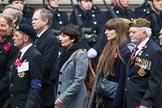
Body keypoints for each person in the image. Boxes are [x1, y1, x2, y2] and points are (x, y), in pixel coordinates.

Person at [124, 18, 162, 108]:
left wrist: (146, 102)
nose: (130, 35)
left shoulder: (155, 51)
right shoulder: (136, 48)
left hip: (142, 101)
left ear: (144, 33)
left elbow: (155, 81)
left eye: (134, 32)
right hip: (130, 99)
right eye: (130, 32)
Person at [94, 18, 131, 108]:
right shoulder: (108, 47)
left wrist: (116, 103)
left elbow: (122, 80)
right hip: (103, 96)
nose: (106, 32)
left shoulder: (124, 52)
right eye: (106, 29)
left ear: (118, 31)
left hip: (113, 99)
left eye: (110, 30)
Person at [9, 23, 43, 107]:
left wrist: (29, 105)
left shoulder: (34, 55)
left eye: (16, 36)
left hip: (25, 103)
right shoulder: (20, 53)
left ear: (25, 38)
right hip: (15, 102)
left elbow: (36, 83)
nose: (13, 38)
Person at [54, 24, 88, 108]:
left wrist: (63, 97)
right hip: (61, 99)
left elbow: (79, 80)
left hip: (74, 100)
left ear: (72, 39)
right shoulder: (64, 53)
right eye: (60, 35)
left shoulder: (80, 54)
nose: (60, 38)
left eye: (64, 36)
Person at [32, 8, 59, 108]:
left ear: (45, 21)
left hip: (44, 87)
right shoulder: (37, 38)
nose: (32, 22)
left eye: (36, 19)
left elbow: (45, 65)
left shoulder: (51, 39)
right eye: (32, 19)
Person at [0, 14, 18, 108]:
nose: (0, 28)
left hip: (4, 92)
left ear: (11, 27)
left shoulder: (14, 44)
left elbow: (10, 73)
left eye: (3, 25)